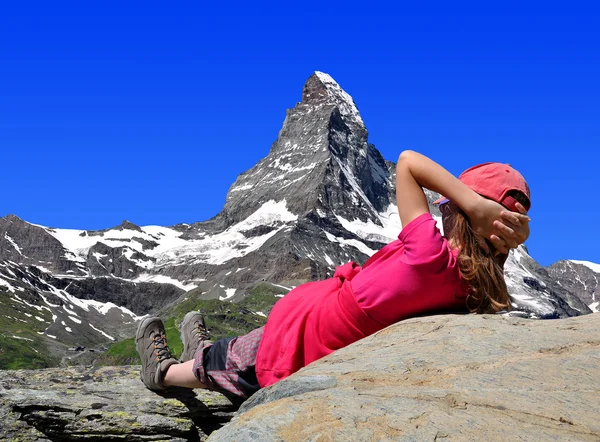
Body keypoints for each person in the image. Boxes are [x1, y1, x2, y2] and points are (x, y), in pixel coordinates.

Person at [136, 150, 531, 399]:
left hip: (300, 347)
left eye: (450, 206)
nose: (443, 211)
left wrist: (472, 203)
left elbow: (409, 162)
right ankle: (199, 351)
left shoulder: (430, 254)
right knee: (240, 345)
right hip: (306, 329)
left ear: (471, 213)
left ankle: (166, 372)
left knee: (227, 363)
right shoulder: (478, 288)